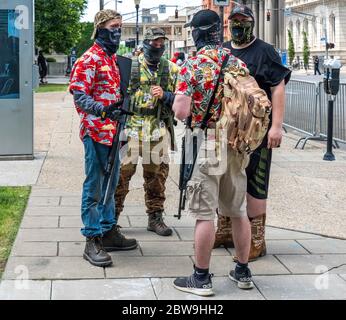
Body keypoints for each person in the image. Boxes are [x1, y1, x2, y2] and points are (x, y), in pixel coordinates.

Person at [172, 9, 254, 296]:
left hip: (206, 143)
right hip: (236, 144)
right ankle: (243, 271)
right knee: (237, 211)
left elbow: (181, 110)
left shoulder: (192, 65)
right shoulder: (237, 62)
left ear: (198, 32)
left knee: (205, 214)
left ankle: (201, 278)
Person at [214, 5, 291, 262]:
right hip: (226, 132)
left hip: (257, 133)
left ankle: (257, 239)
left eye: (243, 20)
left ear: (252, 22)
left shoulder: (265, 51)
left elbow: (277, 88)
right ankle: (225, 229)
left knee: (255, 183)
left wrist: (276, 126)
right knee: (224, 180)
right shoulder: (222, 50)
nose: (238, 25)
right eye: (233, 20)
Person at [69, 10, 138, 268]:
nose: (118, 32)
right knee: (94, 185)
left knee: (111, 184)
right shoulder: (89, 59)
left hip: (115, 132)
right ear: (100, 28)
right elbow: (80, 95)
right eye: (114, 27)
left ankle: (108, 231)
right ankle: (92, 238)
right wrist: (102, 109)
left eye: (121, 27)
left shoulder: (112, 59)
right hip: (96, 131)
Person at [115, 27, 179, 236]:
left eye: (161, 44)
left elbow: (182, 99)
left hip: (157, 131)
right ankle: (110, 220)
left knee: (156, 178)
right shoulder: (127, 66)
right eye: (154, 43)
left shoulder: (171, 69)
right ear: (145, 43)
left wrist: (167, 96)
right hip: (130, 130)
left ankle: (155, 217)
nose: (158, 47)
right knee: (121, 177)